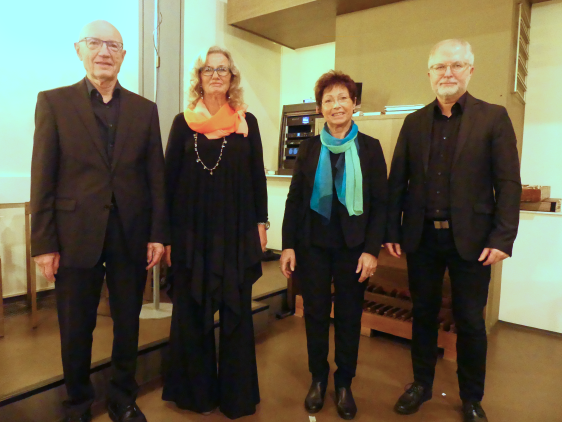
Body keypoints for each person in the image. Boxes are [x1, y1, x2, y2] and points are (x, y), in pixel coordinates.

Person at [30, 20, 168, 422]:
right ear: (79, 50)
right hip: (74, 237)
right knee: (76, 328)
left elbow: (155, 176)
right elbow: (43, 176)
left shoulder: (145, 110)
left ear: (123, 56)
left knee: (128, 323)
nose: (104, 52)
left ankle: (123, 398)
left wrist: (158, 233)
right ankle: (77, 403)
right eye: (95, 43)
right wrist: (43, 243)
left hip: (131, 234)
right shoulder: (53, 102)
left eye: (113, 45)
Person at [385, 39, 521, 422]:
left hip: (474, 242)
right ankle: (421, 385)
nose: (448, 73)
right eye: (440, 67)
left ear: (471, 71)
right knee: (423, 313)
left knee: (471, 321)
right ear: (429, 74)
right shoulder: (413, 123)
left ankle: (471, 398)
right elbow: (398, 182)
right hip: (422, 237)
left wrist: (503, 238)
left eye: (457, 65)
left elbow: (508, 183)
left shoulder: (493, 118)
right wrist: (391, 231)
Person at [161, 46, 268, 420]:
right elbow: (167, 184)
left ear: (232, 77)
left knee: (237, 316)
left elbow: (257, 178)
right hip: (191, 235)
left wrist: (261, 224)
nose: (216, 75)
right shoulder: (182, 123)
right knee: (192, 312)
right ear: (199, 77)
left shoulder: (246, 122)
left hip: (237, 234)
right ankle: (195, 395)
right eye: (209, 69)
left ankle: (236, 398)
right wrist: (167, 237)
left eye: (223, 69)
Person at [280, 71, 388, 420]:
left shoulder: (370, 148)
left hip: (354, 249)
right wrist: (288, 245)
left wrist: (372, 250)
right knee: (313, 314)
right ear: (320, 108)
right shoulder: (310, 148)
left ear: (354, 103)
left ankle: (344, 383)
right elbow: (295, 200)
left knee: (348, 316)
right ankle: (317, 378)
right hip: (312, 246)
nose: (336, 105)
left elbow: (381, 204)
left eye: (343, 98)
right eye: (328, 100)